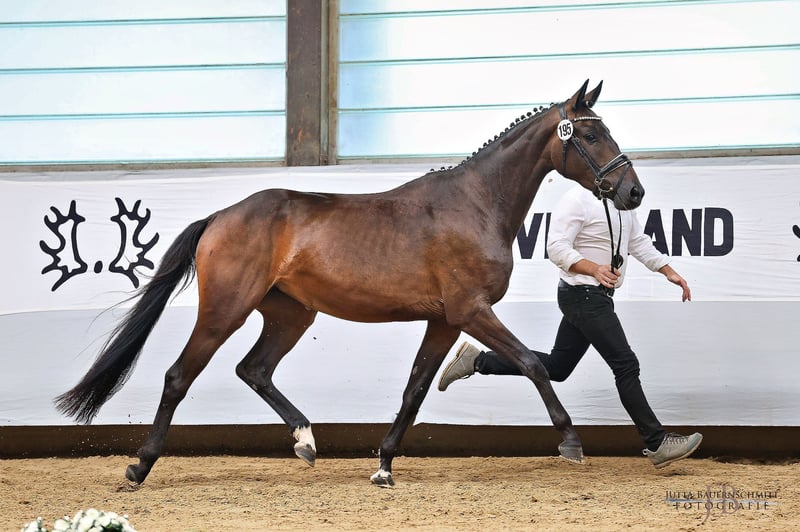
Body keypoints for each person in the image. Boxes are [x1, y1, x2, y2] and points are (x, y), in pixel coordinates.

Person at [438, 184, 702, 468]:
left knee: (559, 366)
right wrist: (594, 268)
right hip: (582, 295)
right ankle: (657, 442)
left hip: (596, 297)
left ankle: (478, 361)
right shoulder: (577, 199)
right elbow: (556, 248)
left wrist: (668, 271)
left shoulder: (621, 203)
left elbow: (637, 241)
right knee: (626, 364)